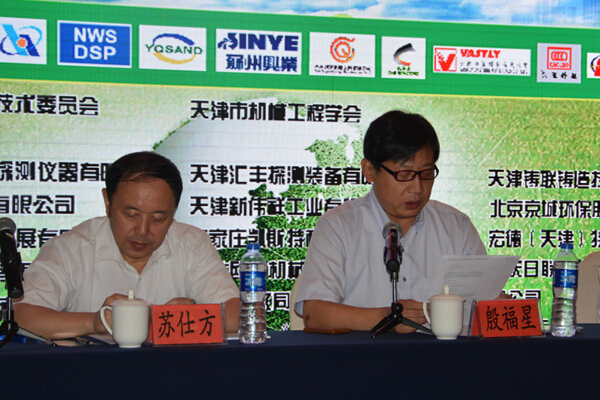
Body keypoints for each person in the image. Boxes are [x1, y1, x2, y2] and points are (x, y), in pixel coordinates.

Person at [294, 110, 488, 334]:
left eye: (426, 173)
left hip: (444, 355)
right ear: (369, 170)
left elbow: (485, 303)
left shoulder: (457, 228)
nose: (417, 188)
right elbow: (315, 314)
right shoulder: (338, 227)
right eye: (404, 174)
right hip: (364, 354)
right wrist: (387, 318)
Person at [14, 151, 240, 339]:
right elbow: (22, 316)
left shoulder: (192, 244)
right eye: (131, 215)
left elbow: (240, 313)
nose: (142, 230)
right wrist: (96, 322)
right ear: (107, 202)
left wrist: (190, 317)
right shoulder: (70, 249)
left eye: (158, 218)